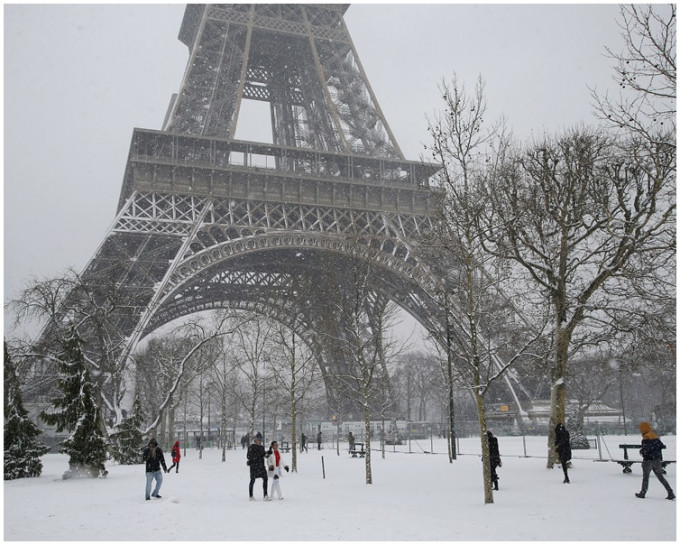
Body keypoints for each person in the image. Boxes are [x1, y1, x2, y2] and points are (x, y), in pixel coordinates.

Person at [635, 421, 675, 500]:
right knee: (661, 477)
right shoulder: (655, 436)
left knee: (645, 478)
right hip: (657, 460)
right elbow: (662, 446)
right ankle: (670, 492)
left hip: (648, 461)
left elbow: (646, 450)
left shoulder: (645, 438)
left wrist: (642, 451)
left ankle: (643, 492)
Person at [247, 432, 271, 501]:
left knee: (265, 479)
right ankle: (251, 495)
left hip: (261, 466)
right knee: (252, 480)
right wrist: (258, 456)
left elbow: (264, 456)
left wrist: (268, 454)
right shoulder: (251, 447)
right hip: (254, 466)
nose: (260, 441)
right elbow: (249, 456)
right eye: (258, 440)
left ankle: (265, 495)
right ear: (255, 440)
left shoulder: (261, 447)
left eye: (260, 440)